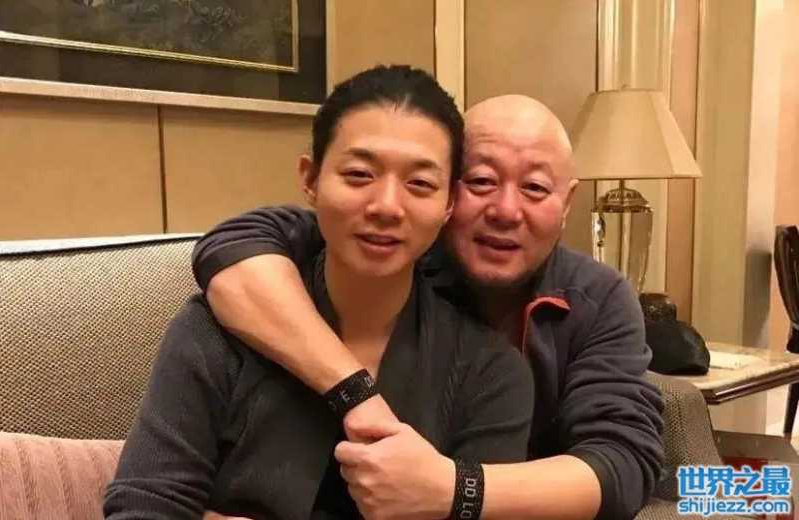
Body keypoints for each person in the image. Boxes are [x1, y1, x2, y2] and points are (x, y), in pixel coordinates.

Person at [192, 94, 666, 520]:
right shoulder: (393, 251)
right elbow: (233, 246)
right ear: (446, 193)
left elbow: (622, 462)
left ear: (567, 202)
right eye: (481, 181)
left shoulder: (597, 296)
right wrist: (358, 394)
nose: (505, 210)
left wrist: (452, 489)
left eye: (536, 189)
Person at [103, 66, 535, 519]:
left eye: (420, 184)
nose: (387, 206)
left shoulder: (490, 372)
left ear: (448, 204)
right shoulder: (216, 332)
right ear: (310, 179)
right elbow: (143, 507)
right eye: (359, 174)